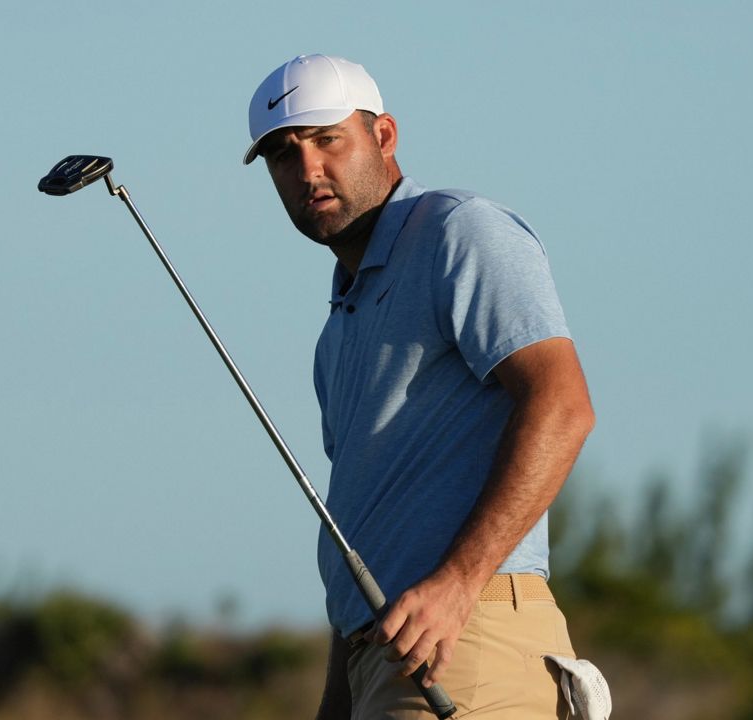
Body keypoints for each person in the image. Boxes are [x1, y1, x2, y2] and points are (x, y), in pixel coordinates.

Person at [243, 55, 597, 719]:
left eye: (328, 140)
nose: (308, 171)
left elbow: (564, 405)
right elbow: (362, 536)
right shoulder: (336, 330)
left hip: (470, 640)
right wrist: (337, 703)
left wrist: (458, 585)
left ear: (384, 136)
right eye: (283, 156)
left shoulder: (458, 230)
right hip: (382, 659)